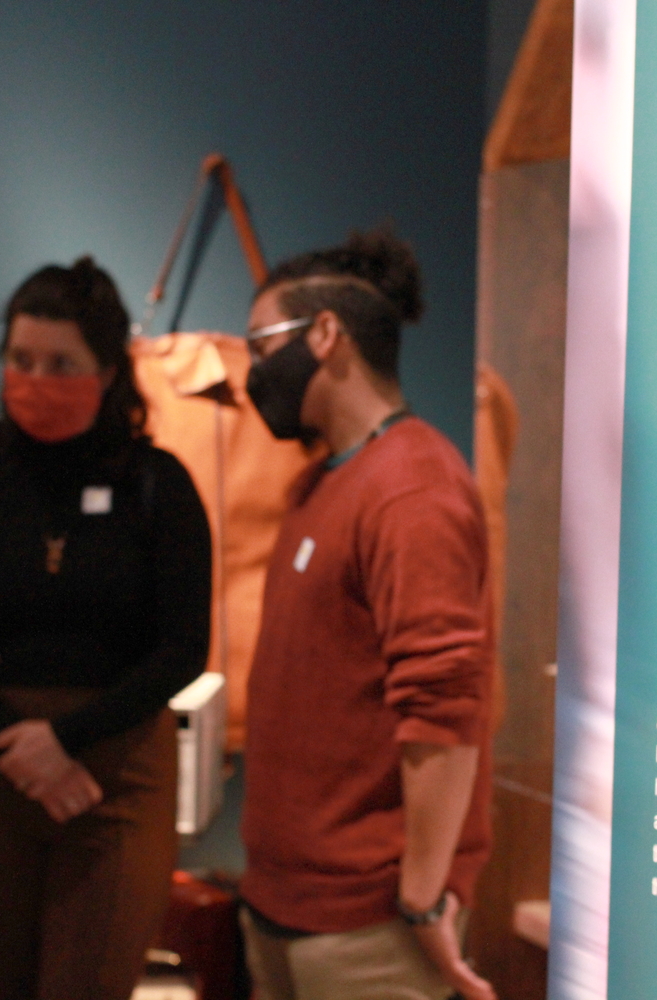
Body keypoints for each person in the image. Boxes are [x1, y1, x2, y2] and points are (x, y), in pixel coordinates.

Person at [0, 257, 212, 1000]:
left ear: (106, 371)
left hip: (117, 771)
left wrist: (65, 740)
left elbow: (180, 651)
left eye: (60, 363)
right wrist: (13, 735)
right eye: (20, 359)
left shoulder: (156, 486)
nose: (34, 379)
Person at [238, 229, 497, 1000]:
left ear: (325, 335)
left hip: (370, 929)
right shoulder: (319, 485)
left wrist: (421, 899)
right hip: (284, 910)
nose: (255, 373)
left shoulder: (413, 486)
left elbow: (445, 705)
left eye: (260, 346)